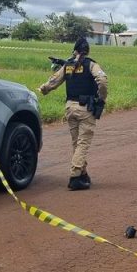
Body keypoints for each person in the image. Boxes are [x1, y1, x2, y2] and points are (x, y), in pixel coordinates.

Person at [38, 37, 108, 190]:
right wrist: (101, 98)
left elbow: (53, 81)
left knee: (77, 144)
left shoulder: (68, 65)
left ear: (74, 50)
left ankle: (83, 174)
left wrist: (43, 89)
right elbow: (102, 80)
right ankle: (75, 176)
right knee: (82, 144)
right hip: (85, 109)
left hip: (70, 108)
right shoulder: (91, 65)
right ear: (87, 50)